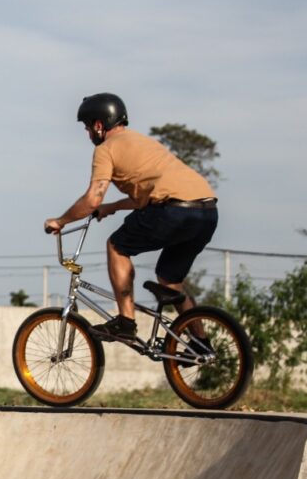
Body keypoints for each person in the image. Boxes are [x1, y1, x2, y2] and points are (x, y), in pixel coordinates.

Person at [44, 93, 217, 341]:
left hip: (174, 210)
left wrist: (60, 221)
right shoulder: (144, 143)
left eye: (87, 127)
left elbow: (93, 198)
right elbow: (143, 198)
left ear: (99, 125)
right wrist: (111, 207)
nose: (87, 134)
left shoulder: (106, 149)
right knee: (169, 280)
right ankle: (200, 342)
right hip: (207, 212)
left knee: (117, 246)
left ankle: (126, 321)